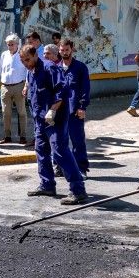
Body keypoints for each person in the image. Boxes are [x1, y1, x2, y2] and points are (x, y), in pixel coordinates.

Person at [19, 44, 88, 205]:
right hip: (40, 119)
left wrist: (53, 110)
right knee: (41, 150)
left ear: (36, 55)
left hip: (54, 117)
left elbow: (63, 90)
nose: (25, 63)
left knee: (60, 151)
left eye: (27, 60)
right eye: (22, 61)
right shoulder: (31, 71)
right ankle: (47, 185)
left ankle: (78, 190)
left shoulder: (50, 68)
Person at [54, 39, 91, 176]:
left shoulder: (80, 67)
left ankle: (81, 168)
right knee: (58, 140)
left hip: (74, 110)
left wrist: (82, 107)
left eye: (67, 50)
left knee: (77, 140)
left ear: (72, 50)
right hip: (58, 111)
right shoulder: (56, 68)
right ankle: (59, 167)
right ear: (59, 50)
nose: (64, 52)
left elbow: (85, 89)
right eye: (62, 50)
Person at [0, 34, 28, 144]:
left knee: (21, 112)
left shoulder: (22, 54)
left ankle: (23, 136)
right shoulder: (4, 55)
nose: (10, 47)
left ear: (17, 44)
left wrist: (26, 86)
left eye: (12, 44)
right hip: (5, 86)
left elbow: (27, 70)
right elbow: (1, 69)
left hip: (19, 85)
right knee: (6, 112)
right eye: (8, 44)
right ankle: (7, 136)